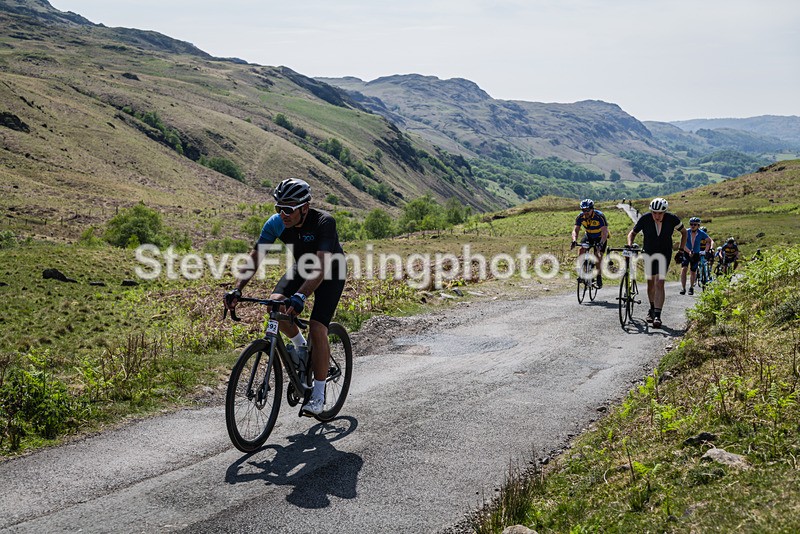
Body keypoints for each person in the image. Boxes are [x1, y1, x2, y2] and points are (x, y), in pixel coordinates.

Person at [223, 178, 346, 416]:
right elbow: (256, 256)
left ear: (304, 208)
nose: (282, 214)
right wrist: (238, 289)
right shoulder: (276, 223)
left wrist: (301, 295)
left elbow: (321, 266)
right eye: (278, 208)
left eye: (288, 209)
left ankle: (318, 395)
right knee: (275, 305)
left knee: (317, 326)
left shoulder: (323, 222)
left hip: (331, 270)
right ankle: (300, 349)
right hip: (303, 267)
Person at [626, 197, 687, 329]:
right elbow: (632, 233)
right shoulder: (645, 219)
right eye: (654, 212)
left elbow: (684, 232)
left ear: (664, 212)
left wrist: (681, 250)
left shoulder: (672, 219)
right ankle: (652, 308)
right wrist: (630, 244)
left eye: (660, 213)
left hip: (664, 253)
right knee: (651, 283)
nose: (657, 216)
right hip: (649, 252)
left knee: (660, 282)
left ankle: (658, 315)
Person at [570, 198, 609, 288]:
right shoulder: (580, 217)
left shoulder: (600, 216)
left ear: (592, 209)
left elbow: (605, 232)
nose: (585, 212)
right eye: (583, 210)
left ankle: (598, 276)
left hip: (600, 237)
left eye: (587, 210)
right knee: (581, 250)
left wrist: (601, 243)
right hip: (589, 235)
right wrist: (574, 240)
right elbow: (575, 230)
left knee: (598, 256)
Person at [679, 217, 712, 295]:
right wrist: (689, 251)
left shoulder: (701, 233)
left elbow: (709, 241)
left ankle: (691, 287)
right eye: (691, 224)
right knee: (684, 268)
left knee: (693, 271)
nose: (692, 226)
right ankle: (683, 288)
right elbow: (682, 244)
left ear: (698, 225)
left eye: (695, 224)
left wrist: (706, 251)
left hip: (696, 254)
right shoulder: (686, 232)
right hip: (686, 252)